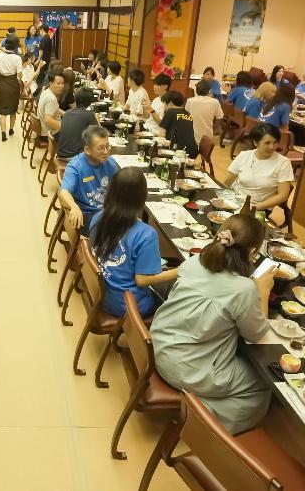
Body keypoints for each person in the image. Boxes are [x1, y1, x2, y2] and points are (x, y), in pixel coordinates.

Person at [151, 213, 275, 434]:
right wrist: (263, 292)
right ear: (253, 252)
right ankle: (203, 421)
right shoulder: (243, 289)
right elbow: (256, 335)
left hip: (160, 350)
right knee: (264, 382)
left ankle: (199, 406)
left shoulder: (193, 262)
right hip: (187, 372)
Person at [89, 168, 173, 317]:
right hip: (127, 307)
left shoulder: (98, 217)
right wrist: (179, 271)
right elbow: (142, 280)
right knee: (173, 287)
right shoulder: (146, 234)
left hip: (101, 293)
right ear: (142, 197)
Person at [222, 123, 294, 211]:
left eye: (275, 142)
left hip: (259, 208)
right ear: (255, 142)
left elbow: (283, 196)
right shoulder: (244, 155)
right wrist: (222, 196)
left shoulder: (283, 163)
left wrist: (253, 208)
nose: (272, 147)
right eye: (267, 143)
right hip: (235, 200)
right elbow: (228, 182)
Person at [59, 125, 118, 232]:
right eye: (100, 148)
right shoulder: (75, 166)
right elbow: (64, 192)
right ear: (87, 150)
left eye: (107, 146)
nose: (106, 152)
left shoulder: (111, 164)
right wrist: (74, 207)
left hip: (107, 212)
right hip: (87, 215)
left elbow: (119, 190)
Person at [53, 87, 100, 159]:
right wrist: (97, 119)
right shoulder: (89, 115)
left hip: (60, 154)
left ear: (75, 99)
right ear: (90, 102)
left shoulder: (67, 113)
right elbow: (100, 135)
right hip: (74, 158)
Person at [0, 35, 23, 140]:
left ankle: (3, 134)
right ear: (15, 46)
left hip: (2, 83)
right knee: (13, 110)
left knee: (3, 111)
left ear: (6, 44)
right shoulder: (17, 58)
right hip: (13, 85)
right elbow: (19, 75)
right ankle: (11, 130)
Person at [184, 79, 224, 145]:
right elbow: (220, 118)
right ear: (209, 91)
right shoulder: (215, 102)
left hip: (190, 135)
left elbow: (185, 116)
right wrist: (212, 128)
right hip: (207, 136)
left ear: (196, 91)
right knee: (204, 151)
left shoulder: (189, 101)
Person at [160, 91, 198, 158]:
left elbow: (160, 134)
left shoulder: (170, 111)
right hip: (192, 150)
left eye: (164, 104)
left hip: (178, 151)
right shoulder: (187, 114)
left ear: (170, 103)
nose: (164, 106)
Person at [36, 71, 65, 140]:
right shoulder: (51, 99)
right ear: (51, 83)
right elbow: (48, 120)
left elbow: (54, 108)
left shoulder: (46, 92)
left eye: (63, 83)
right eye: (58, 83)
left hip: (44, 130)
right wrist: (65, 126)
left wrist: (67, 114)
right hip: (49, 134)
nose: (61, 86)